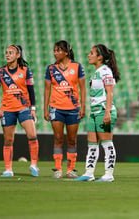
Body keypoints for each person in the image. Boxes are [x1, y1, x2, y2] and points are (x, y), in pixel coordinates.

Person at [75, 44, 120, 182]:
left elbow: (110, 92)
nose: (88, 55)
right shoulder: (98, 71)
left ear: (99, 57)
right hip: (94, 112)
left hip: (103, 111)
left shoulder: (105, 71)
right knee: (92, 144)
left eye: (91, 53)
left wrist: (107, 112)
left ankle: (109, 174)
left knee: (107, 143)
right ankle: (89, 173)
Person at [0, 45, 39, 177]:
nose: (7, 55)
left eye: (11, 53)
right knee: (8, 140)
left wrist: (33, 109)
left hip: (24, 108)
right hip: (7, 109)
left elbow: (31, 91)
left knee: (32, 135)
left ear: (18, 55)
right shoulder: (1, 71)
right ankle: (8, 169)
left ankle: (34, 165)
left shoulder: (25, 70)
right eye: (6, 53)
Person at [44, 40, 86, 179]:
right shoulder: (50, 69)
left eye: (58, 50)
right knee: (58, 138)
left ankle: (71, 169)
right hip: (56, 108)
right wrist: (45, 109)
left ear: (66, 52)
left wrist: (83, 106)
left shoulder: (77, 66)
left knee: (72, 140)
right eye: (54, 50)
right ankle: (58, 169)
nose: (55, 53)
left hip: (73, 108)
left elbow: (83, 88)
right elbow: (47, 89)